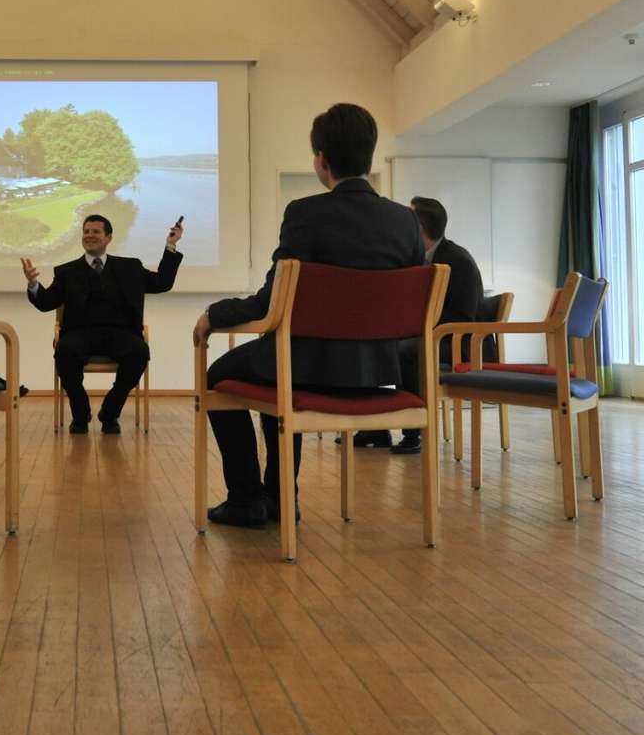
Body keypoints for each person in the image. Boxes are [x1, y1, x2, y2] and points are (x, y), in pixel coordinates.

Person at [195, 104, 427, 528]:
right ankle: (281, 497)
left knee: (223, 374)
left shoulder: (305, 213)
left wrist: (215, 313)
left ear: (321, 160)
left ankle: (249, 498)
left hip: (307, 369)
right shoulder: (406, 223)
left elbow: (272, 302)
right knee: (276, 367)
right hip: (376, 373)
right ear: (370, 156)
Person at [23, 213, 183, 433]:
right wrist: (33, 284)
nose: (89, 235)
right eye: (86, 232)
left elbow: (162, 283)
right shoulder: (66, 271)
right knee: (64, 353)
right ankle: (80, 415)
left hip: (121, 334)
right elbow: (45, 302)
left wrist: (171, 246)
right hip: (80, 334)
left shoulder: (130, 267)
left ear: (108, 237)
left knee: (139, 353)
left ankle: (110, 413)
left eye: (96, 232)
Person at [362, 194, 487, 455]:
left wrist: (415, 328)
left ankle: (414, 432)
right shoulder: (419, 259)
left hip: (458, 343)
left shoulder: (458, 261)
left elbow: (462, 318)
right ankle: (376, 427)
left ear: (418, 227)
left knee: (407, 351)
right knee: (373, 344)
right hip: (433, 336)